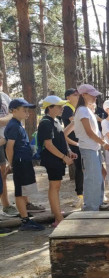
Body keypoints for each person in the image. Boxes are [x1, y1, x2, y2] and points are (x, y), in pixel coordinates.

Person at [5, 98, 45, 230]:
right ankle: (25, 221)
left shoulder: (17, 125)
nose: (27, 113)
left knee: (24, 190)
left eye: (28, 110)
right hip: (19, 162)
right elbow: (9, 147)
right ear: (14, 111)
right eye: (24, 110)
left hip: (24, 161)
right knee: (20, 192)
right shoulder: (13, 126)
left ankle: (26, 213)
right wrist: (11, 164)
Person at [37, 96, 77, 227]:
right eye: (59, 106)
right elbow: (48, 145)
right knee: (54, 187)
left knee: (56, 187)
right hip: (52, 160)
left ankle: (57, 212)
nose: (62, 108)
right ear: (50, 108)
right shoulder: (45, 123)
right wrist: (63, 157)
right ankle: (58, 218)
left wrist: (69, 152)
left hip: (57, 159)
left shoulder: (55, 121)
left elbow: (61, 138)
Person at [74, 84, 109, 211]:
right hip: (88, 148)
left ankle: (97, 203)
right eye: (92, 94)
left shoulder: (87, 110)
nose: (95, 97)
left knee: (98, 177)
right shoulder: (82, 110)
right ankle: (90, 206)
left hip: (94, 148)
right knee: (92, 178)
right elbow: (89, 132)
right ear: (83, 95)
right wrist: (103, 143)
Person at [61, 88, 84, 207]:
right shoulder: (67, 108)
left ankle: (82, 193)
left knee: (82, 167)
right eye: (75, 95)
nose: (77, 96)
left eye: (78, 94)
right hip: (73, 143)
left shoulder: (76, 108)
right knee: (79, 168)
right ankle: (80, 194)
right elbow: (75, 123)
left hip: (79, 142)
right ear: (68, 97)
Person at [0, 72, 19, 217]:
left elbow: (15, 114)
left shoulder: (5, 96)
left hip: (6, 140)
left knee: (4, 173)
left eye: (0, 78)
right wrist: (9, 116)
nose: (0, 81)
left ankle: (6, 204)